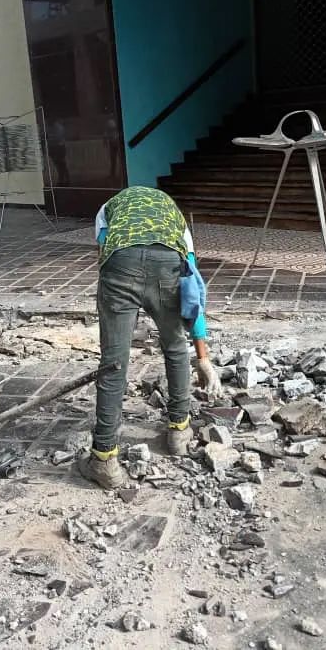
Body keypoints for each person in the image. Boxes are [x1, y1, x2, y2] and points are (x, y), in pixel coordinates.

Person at [80, 186, 222, 490]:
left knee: (113, 362)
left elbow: (104, 255)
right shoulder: (176, 221)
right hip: (167, 265)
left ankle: (104, 459)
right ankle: (179, 434)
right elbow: (194, 290)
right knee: (174, 348)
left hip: (120, 263)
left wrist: (118, 295)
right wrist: (203, 357)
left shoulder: (106, 211)